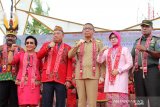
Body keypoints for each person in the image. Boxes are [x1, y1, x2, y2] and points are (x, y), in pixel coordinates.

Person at [68, 23, 105, 107]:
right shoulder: (78, 43)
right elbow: (70, 55)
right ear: (82, 32)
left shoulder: (98, 43)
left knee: (92, 102)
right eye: (85, 29)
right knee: (81, 101)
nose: (87, 30)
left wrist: (102, 75)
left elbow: (102, 61)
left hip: (93, 75)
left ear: (93, 31)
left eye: (89, 28)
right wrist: (77, 46)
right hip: (80, 76)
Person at [37, 26, 72, 107]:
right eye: (54, 34)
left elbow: (69, 65)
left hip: (61, 79)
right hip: (47, 78)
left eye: (58, 33)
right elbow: (38, 56)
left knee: (60, 103)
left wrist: (68, 79)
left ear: (63, 35)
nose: (55, 35)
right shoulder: (47, 45)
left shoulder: (67, 47)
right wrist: (48, 47)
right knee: (46, 102)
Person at [97, 31, 133, 107]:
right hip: (109, 82)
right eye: (111, 38)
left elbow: (130, 63)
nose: (113, 39)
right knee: (110, 102)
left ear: (119, 38)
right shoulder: (107, 51)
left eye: (115, 37)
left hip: (121, 79)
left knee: (121, 102)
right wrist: (101, 51)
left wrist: (119, 70)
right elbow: (99, 60)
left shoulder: (124, 49)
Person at [131, 20, 160, 107]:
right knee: (140, 99)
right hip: (138, 72)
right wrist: (131, 73)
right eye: (143, 26)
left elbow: (159, 54)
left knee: (154, 97)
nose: (144, 28)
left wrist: (146, 50)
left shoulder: (156, 40)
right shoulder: (137, 41)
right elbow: (132, 56)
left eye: (147, 26)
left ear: (152, 28)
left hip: (152, 71)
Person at [8, 36, 41, 107]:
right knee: (22, 104)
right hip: (22, 84)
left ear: (35, 45)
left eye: (31, 43)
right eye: (27, 43)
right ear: (25, 44)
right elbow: (10, 61)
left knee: (34, 105)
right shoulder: (20, 54)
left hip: (34, 84)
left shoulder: (39, 55)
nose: (29, 44)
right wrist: (11, 50)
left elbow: (41, 69)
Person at [0, 13, 24, 107]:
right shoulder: (0, 48)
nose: (10, 38)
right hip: (2, 78)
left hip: (16, 79)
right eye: (8, 36)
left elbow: (23, 65)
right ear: (6, 37)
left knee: (14, 102)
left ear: (15, 38)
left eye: (12, 36)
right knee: (2, 101)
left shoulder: (21, 50)